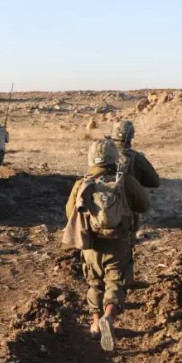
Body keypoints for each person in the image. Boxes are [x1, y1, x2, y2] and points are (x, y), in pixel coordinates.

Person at [63, 139, 149, 352]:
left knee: (94, 283)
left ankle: (95, 324)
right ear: (114, 157)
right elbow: (144, 205)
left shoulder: (82, 183)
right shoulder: (125, 181)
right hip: (119, 242)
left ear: (91, 158)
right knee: (115, 282)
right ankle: (109, 316)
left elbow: (70, 212)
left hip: (91, 245)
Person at [110, 120, 159, 288]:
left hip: (100, 208)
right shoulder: (134, 157)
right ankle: (124, 282)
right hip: (127, 211)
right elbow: (154, 181)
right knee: (126, 245)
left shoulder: (102, 153)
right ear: (131, 136)